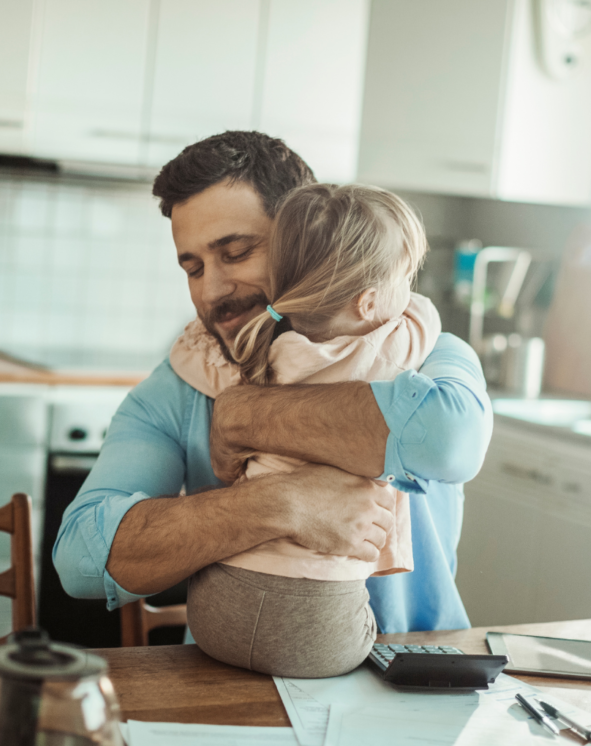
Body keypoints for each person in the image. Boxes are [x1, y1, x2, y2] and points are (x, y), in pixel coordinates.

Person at [53, 131, 492, 639]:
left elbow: (452, 441)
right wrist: (281, 504)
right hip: (240, 674)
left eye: (236, 253)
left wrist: (246, 415)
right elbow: (80, 558)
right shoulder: (183, 382)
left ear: (307, 239)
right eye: (192, 268)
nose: (211, 290)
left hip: (412, 677)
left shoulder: (416, 346)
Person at [174, 182, 441, 677]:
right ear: (368, 302)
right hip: (316, 616)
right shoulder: (391, 348)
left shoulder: (261, 350)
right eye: (406, 275)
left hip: (215, 606)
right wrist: (398, 294)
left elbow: (191, 357)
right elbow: (427, 315)